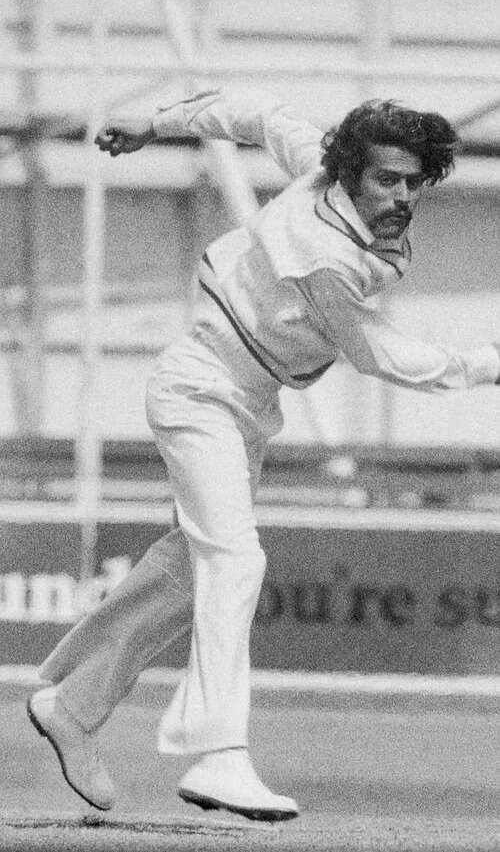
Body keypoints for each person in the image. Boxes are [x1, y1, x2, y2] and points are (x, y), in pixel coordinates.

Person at [27, 89, 500, 822]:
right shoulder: (324, 256)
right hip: (200, 389)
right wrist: (489, 362)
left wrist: (155, 122)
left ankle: (73, 702)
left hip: (246, 403)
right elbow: (381, 356)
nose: (403, 195)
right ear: (349, 173)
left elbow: (252, 115)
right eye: (386, 179)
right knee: (236, 560)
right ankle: (219, 755)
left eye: (415, 181)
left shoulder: (319, 168)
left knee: (190, 568)